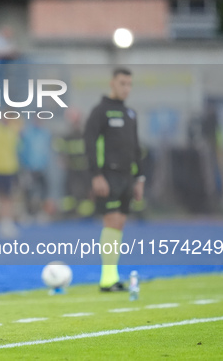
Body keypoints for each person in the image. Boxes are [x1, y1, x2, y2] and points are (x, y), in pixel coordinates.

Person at [84, 68, 145, 292]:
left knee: (119, 224)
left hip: (127, 177)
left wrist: (140, 178)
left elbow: (136, 148)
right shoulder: (100, 112)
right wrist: (96, 175)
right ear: (112, 83)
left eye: (129, 84)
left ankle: (112, 276)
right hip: (108, 175)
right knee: (111, 222)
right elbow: (89, 144)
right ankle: (107, 279)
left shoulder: (130, 114)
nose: (126, 88)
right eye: (122, 83)